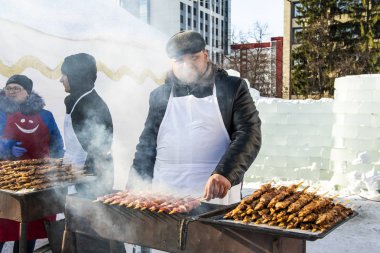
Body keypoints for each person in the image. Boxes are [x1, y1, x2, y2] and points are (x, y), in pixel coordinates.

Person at [129, 31, 261, 205]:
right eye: (180, 61)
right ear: (172, 63)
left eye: (194, 58)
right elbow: (147, 143)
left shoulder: (231, 88)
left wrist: (226, 173)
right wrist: (135, 182)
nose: (187, 65)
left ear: (205, 56)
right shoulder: (159, 95)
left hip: (215, 195)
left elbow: (249, 133)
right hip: (164, 194)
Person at [0, 74, 64, 253]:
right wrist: (7, 149)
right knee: (3, 227)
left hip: (37, 182)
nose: (11, 91)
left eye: (16, 88)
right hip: (6, 183)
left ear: (27, 93)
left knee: (28, 230)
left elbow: (57, 144)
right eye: (8, 88)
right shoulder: (0, 113)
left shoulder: (45, 115)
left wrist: (54, 166)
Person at [60, 53, 114, 196]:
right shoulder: (76, 101)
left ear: (75, 76)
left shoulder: (91, 105)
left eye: (64, 75)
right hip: (73, 176)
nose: (61, 79)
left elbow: (100, 152)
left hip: (86, 184)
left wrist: (89, 188)